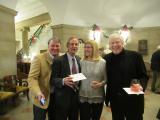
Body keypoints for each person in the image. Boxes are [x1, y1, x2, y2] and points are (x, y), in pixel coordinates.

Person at [103, 33, 148, 120]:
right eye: (112, 43)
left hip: (133, 99)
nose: (115, 45)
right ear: (109, 45)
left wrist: (141, 86)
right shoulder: (106, 59)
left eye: (117, 42)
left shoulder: (135, 56)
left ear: (123, 43)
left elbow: (143, 76)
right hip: (116, 99)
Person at [28, 37, 61, 120]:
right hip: (42, 97)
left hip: (56, 97)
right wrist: (38, 92)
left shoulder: (61, 58)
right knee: (39, 117)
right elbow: (32, 78)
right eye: (52, 46)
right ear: (48, 46)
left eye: (57, 46)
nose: (55, 48)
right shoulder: (38, 58)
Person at [50, 36, 81, 120]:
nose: (74, 46)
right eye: (72, 44)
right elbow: (52, 79)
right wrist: (63, 80)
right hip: (62, 99)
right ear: (67, 46)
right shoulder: (58, 60)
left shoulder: (79, 59)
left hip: (75, 97)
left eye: (76, 44)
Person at [79, 40, 106, 120]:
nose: (86, 49)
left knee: (95, 118)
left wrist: (100, 84)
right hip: (83, 95)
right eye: (85, 47)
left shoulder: (102, 62)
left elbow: (106, 79)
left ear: (94, 48)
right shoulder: (81, 61)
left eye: (88, 47)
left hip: (97, 96)